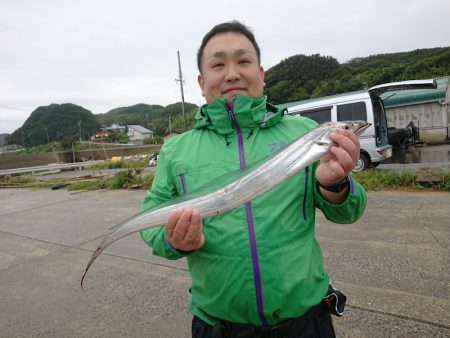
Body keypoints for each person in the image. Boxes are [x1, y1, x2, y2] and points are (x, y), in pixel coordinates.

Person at [140, 21, 366, 338]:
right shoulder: (176, 150)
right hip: (218, 327)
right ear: (202, 82)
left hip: (305, 324)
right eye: (219, 64)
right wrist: (171, 240)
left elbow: (349, 212)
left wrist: (335, 184)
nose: (232, 73)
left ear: (260, 73)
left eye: (243, 61)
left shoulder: (302, 132)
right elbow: (151, 221)